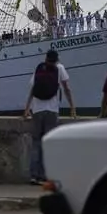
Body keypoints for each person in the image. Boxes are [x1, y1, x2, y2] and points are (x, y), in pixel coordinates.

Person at [23, 49, 75, 185]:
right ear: (57, 59)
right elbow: (66, 88)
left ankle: (34, 175)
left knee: (36, 143)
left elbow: (32, 89)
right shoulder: (60, 68)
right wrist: (72, 107)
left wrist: (27, 108)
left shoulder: (40, 68)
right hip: (52, 110)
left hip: (37, 110)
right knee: (49, 143)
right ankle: (46, 175)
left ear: (46, 58)